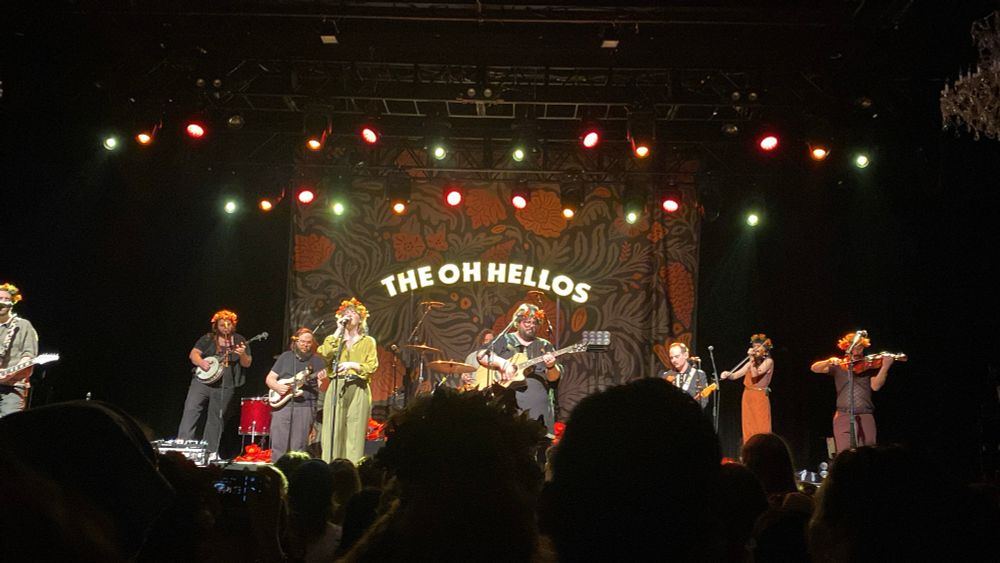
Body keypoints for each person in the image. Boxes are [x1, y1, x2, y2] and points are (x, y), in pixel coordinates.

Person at [177, 309, 252, 456]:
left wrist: (242, 354)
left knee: (216, 418)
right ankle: (182, 448)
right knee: (191, 411)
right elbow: (193, 354)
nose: (225, 327)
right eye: (222, 324)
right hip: (201, 383)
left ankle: (209, 452)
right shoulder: (208, 338)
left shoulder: (239, 340)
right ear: (216, 326)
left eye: (228, 324)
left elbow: (247, 363)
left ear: (233, 325)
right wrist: (201, 362)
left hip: (224, 385)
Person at [477, 303, 560, 433]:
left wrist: (551, 366)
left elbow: (554, 379)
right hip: (506, 404)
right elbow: (482, 355)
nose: (531, 325)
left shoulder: (544, 345)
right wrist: (503, 364)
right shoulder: (505, 340)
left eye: (535, 323)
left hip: (536, 409)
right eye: (527, 322)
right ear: (518, 322)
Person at [810, 331, 894, 453]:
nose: (858, 350)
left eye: (861, 347)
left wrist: (885, 367)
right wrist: (828, 361)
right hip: (843, 415)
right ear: (846, 348)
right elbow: (814, 368)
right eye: (854, 346)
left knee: (867, 453)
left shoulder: (868, 365)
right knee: (844, 453)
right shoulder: (840, 365)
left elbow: (876, 386)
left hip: (865, 415)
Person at [318, 298, 378, 463]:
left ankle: (351, 469)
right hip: (337, 386)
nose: (349, 315)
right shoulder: (335, 340)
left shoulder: (368, 341)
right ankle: (330, 466)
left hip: (358, 386)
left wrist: (353, 365)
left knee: (355, 432)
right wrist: (338, 330)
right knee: (332, 430)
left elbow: (371, 366)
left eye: (353, 313)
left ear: (361, 318)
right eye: (346, 313)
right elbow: (324, 353)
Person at [265, 328, 327, 460]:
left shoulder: (317, 361)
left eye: (309, 342)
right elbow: (270, 379)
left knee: (299, 447)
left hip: (305, 406)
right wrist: (277, 387)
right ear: (296, 341)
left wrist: (323, 380)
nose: (305, 345)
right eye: (302, 342)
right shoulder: (286, 357)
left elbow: (323, 387)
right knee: (278, 445)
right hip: (282, 406)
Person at [722, 333, 775, 443]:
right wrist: (728, 374)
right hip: (748, 395)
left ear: (765, 349)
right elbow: (736, 375)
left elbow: (756, 375)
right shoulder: (751, 362)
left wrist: (751, 359)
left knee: (761, 426)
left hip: (759, 396)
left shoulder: (768, 361)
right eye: (754, 346)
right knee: (748, 425)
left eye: (758, 347)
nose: (755, 349)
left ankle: (763, 448)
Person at [0, 283, 39, 418]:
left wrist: (9, 374)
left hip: (12, 388)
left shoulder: (23, 326)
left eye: (6, 299)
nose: (2, 302)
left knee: (8, 424)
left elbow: (29, 355)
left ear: (13, 302)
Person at [660, 342, 709, 409]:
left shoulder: (698, 374)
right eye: (671, 358)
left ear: (686, 355)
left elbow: (703, 400)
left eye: (677, 356)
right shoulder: (667, 375)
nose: (674, 360)